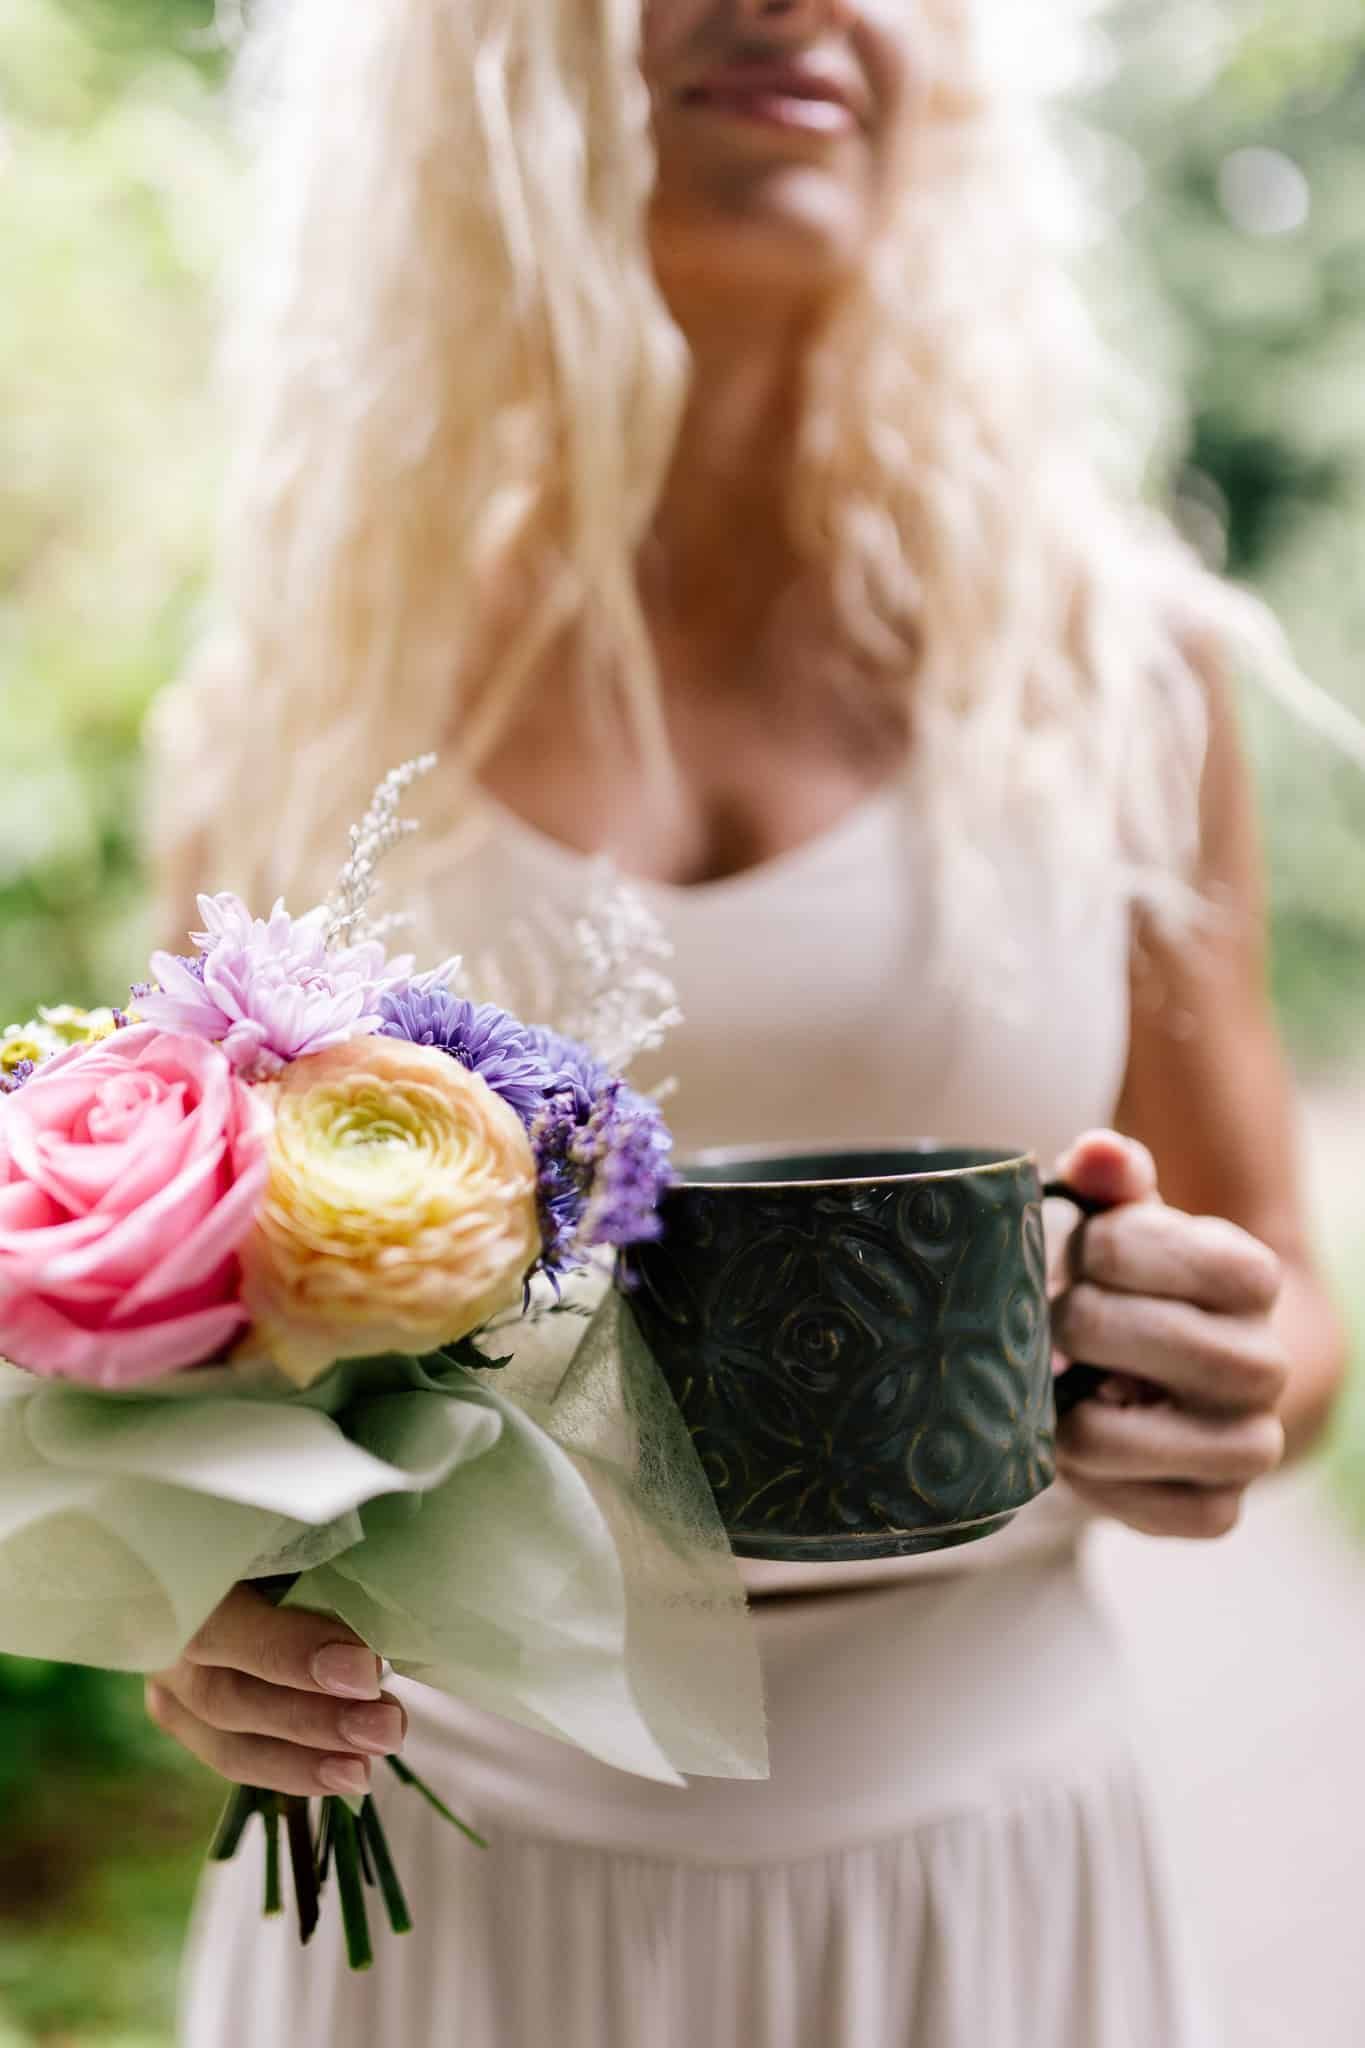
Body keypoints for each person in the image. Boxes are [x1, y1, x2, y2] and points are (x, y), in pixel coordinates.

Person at [145, 3, 1347, 2044]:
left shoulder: (1109, 665)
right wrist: (186, 1608)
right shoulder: (302, 688)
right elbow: (189, 1376)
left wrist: (1228, 1356)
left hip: (972, 1887)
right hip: (436, 1902)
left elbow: (1288, 1311)